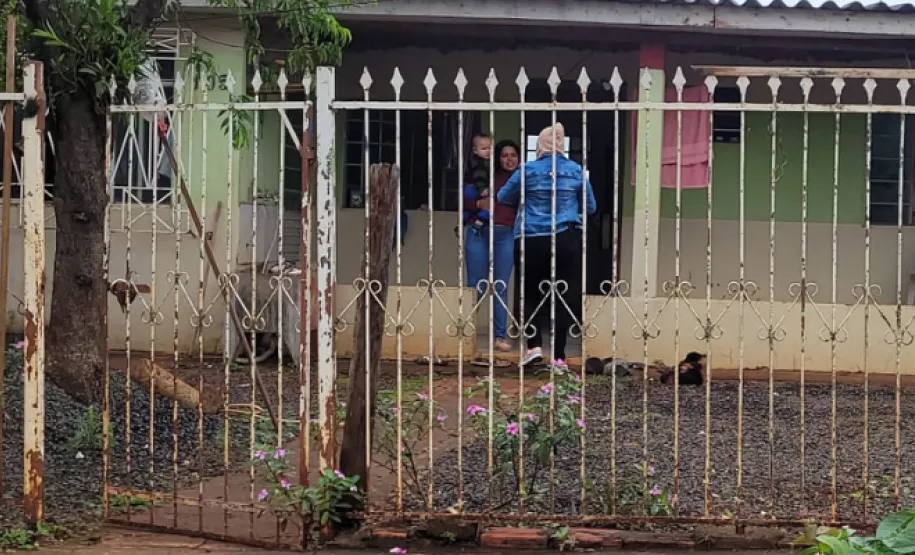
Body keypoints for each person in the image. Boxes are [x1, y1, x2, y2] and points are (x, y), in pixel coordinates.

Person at [497, 123, 596, 367]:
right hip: (566, 237)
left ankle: (533, 348)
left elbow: (502, 198)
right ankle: (560, 357)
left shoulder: (527, 170)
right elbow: (591, 207)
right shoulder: (575, 171)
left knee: (530, 292)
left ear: (540, 145)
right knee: (562, 295)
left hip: (531, 237)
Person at [463, 139, 521, 353]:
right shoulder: (485, 175)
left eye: (513, 155)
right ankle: (466, 333)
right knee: (475, 285)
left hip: (506, 234)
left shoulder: (522, 179)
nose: (509, 159)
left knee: (500, 286)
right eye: (505, 155)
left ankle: (499, 336)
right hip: (479, 232)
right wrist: (479, 204)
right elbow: (462, 198)